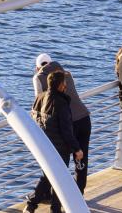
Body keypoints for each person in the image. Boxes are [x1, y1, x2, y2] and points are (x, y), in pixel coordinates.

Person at [34, 54, 92, 192]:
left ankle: (54, 196)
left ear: (37, 68)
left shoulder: (38, 78)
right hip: (84, 118)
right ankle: (79, 195)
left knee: (58, 162)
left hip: (66, 123)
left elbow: (40, 102)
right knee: (81, 160)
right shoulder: (67, 74)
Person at [25, 70, 81, 213]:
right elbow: (66, 130)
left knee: (49, 176)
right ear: (61, 85)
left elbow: (33, 119)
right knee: (57, 177)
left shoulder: (40, 97)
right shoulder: (61, 103)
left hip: (43, 145)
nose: (66, 85)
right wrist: (76, 148)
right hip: (60, 148)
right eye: (65, 83)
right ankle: (46, 206)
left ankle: (37, 206)